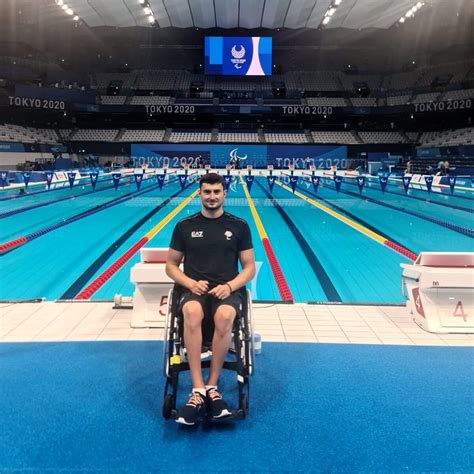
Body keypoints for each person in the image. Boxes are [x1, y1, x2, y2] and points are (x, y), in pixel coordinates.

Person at [166, 173, 256, 425]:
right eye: (207, 192)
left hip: (227, 291)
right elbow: (171, 266)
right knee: (192, 312)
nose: (212, 196)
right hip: (193, 291)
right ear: (199, 194)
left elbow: (249, 268)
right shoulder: (184, 226)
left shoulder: (239, 225)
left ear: (224, 193)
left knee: (225, 315)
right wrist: (190, 283)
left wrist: (230, 286)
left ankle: (212, 386)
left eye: (217, 192)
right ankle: (197, 390)